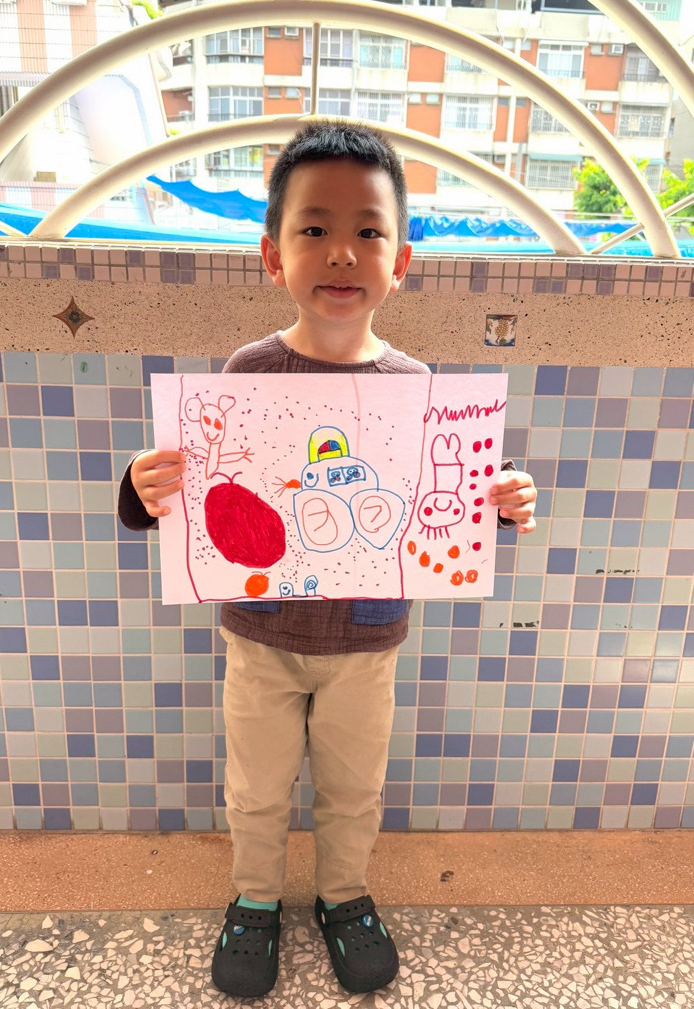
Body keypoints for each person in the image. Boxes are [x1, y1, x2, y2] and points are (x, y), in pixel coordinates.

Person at [118, 120, 537, 1000]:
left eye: (368, 231)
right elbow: (205, 492)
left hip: (368, 642)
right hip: (260, 636)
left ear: (400, 260)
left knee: (354, 789)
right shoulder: (248, 371)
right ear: (273, 256)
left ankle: (344, 896)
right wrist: (141, 486)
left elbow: (441, 502)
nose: (342, 252)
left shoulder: (419, 390)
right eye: (314, 228)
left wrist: (498, 503)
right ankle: (255, 899)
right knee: (257, 788)